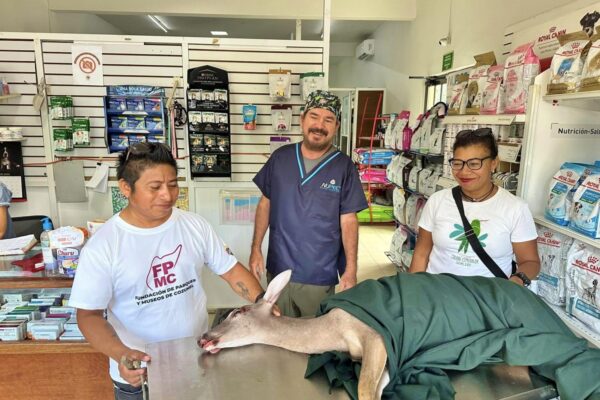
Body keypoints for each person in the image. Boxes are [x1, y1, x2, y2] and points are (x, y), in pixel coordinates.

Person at [69, 142, 266, 400]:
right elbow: (88, 315)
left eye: (173, 185)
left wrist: (263, 303)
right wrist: (122, 354)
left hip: (197, 361)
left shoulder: (194, 225)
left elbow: (231, 271)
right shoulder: (104, 246)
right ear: (126, 188)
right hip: (141, 376)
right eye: (155, 187)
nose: (167, 195)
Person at [249, 90, 368, 317]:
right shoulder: (280, 158)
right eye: (314, 116)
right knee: (277, 328)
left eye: (328, 119)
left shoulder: (344, 167)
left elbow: (349, 221)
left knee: (314, 333)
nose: (319, 125)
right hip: (279, 269)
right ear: (302, 119)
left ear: (336, 126)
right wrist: (255, 249)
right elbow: (265, 204)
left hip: (319, 273)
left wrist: (351, 269)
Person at [409, 128, 540, 285]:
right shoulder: (437, 201)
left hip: (487, 297)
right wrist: (413, 289)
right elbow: (421, 253)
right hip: (437, 293)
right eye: (457, 163)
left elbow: (530, 261)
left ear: (494, 163)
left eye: (474, 164)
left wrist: (517, 280)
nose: (464, 171)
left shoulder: (515, 208)